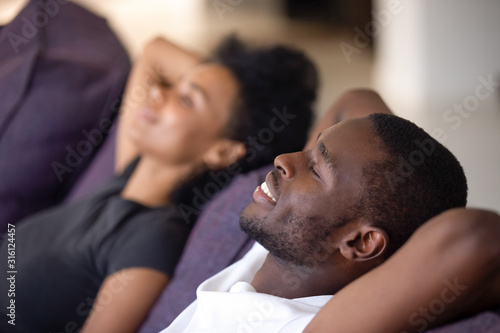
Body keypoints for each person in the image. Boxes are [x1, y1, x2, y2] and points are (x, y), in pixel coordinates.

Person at [0, 35, 317, 333]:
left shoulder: (150, 241)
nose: (155, 92)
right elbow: (155, 52)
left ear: (222, 150)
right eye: (174, 85)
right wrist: (227, 77)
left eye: (186, 99)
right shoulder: (130, 174)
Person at [162, 109, 500, 332]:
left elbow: (476, 238)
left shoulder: (299, 325)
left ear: (360, 241)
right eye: (312, 150)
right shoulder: (287, 246)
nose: (283, 160)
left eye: (315, 170)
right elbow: (351, 100)